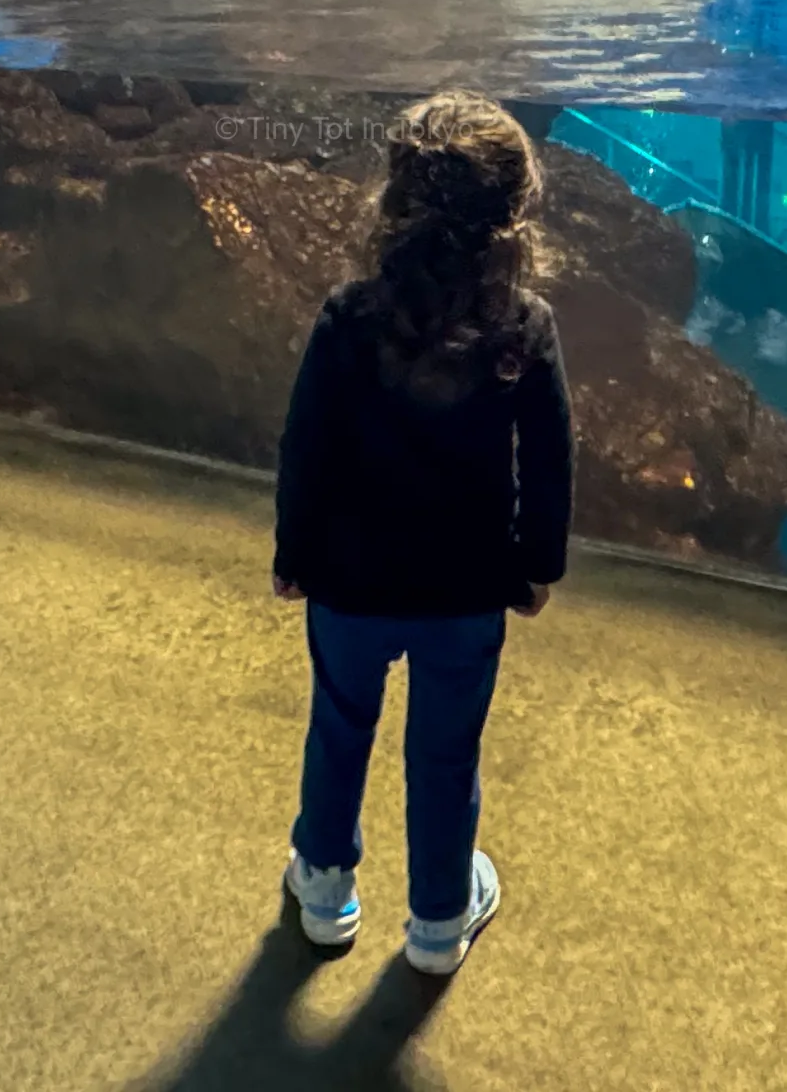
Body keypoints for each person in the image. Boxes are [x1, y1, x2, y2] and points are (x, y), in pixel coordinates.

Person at [271, 91, 576, 977]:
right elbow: (550, 464)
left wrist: (293, 555)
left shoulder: (349, 316)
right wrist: (534, 569)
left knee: (339, 727)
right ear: (515, 213)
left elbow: (306, 448)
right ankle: (440, 920)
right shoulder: (525, 326)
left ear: (391, 202)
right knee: (446, 751)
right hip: (464, 590)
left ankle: (324, 890)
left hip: (349, 581)